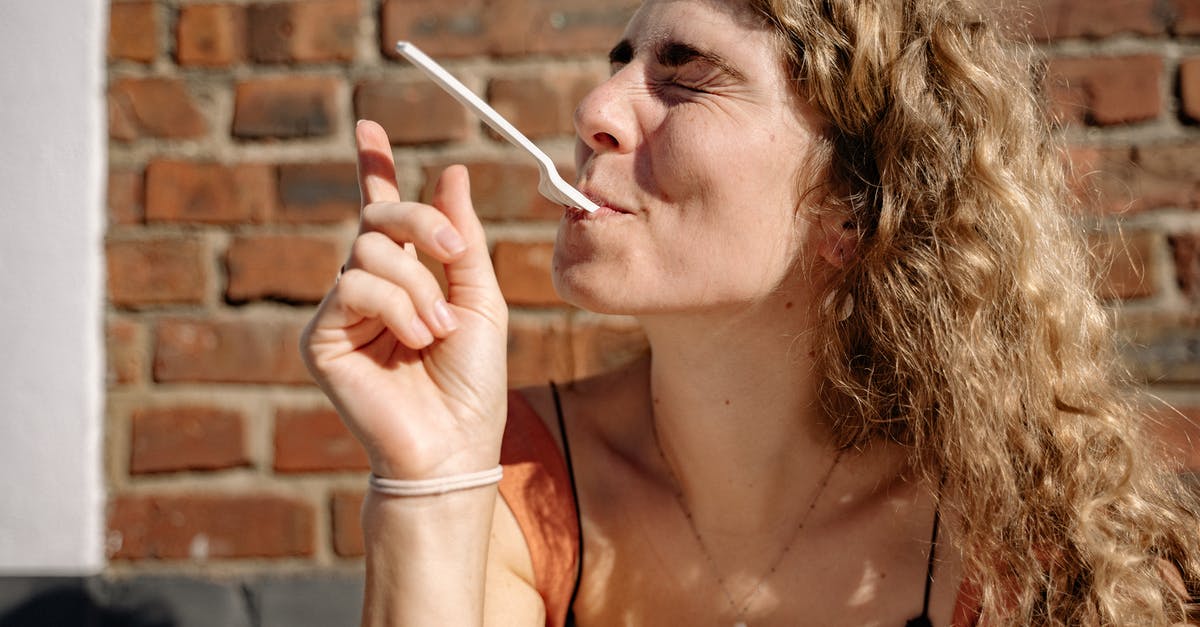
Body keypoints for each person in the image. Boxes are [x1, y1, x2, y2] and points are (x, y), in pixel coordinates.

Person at [300, 0, 1200, 624]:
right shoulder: (511, 475)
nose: (595, 111)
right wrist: (429, 479)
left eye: (683, 74)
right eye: (620, 63)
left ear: (852, 200)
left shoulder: (1025, 540)